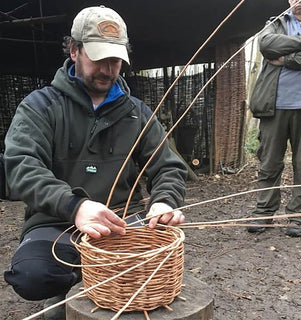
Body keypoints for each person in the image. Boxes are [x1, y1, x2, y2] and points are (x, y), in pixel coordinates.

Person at [3, 6, 187, 319]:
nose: (107, 68)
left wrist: (164, 202)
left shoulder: (137, 113)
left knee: (158, 267)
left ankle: (101, 287)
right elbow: (21, 167)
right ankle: (77, 289)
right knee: (33, 277)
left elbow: (168, 166)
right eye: (98, 58)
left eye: (115, 60)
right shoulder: (41, 107)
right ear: (74, 50)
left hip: (122, 225)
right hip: (55, 224)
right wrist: (74, 206)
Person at [248, 0, 301, 237]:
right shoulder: (276, 22)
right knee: (268, 162)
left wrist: (286, 59)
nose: (300, 1)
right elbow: (267, 45)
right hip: (274, 106)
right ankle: (263, 213)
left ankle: (299, 218)